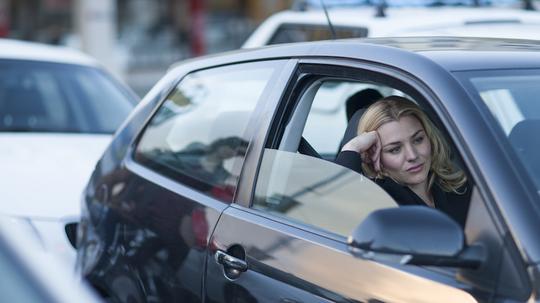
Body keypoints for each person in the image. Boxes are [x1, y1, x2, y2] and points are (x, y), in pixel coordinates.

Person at [336, 96, 471, 227]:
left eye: (418, 140)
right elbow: (335, 207)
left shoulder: (459, 188)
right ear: (374, 155)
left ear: (430, 138)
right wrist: (352, 148)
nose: (412, 155)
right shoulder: (379, 206)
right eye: (395, 149)